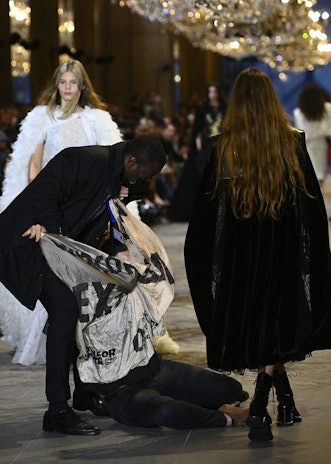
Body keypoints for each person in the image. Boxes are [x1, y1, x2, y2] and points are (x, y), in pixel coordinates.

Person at [184, 68, 331, 442]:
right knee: (275, 331)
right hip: (281, 257)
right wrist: (311, 258)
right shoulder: (292, 142)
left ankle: (262, 410)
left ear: (237, 102)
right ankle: (282, 400)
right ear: (271, 99)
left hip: (240, 260)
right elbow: (311, 209)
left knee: (260, 332)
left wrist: (210, 266)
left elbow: (205, 215)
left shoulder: (222, 146)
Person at [0, 134, 170, 435]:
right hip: (26, 243)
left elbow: (96, 218)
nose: (145, 182)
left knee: (83, 306)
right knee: (65, 310)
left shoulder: (114, 174)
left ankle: (82, 392)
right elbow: (41, 197)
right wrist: (64, 239)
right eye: (145, 175)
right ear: (132, 162)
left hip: (56, 250)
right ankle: (57, 410)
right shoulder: (83, 160)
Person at [38, 198, 249, 431]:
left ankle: (205, 407)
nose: (132, 269)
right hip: (123, 392)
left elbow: (144, 247)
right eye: (124, 263)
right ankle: (224, 417)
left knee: (232, 388)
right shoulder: (83, 290)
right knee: (166, 411)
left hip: (157, 369)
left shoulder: (141, 284)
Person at [0, 59, 122, 365]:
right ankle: (56, 343)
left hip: (85, 208)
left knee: (84, 271)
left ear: (82, 87)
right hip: (52, 204)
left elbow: (107, 162)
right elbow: (33, 165)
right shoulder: (43, 118)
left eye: (73, 83)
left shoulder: (96, 120)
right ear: (56, 84)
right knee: (54, 271)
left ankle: (90, 342)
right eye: (63, 83)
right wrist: (41, 206)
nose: (67, 89)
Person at [169, 82, 228, 222]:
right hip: (206, 146)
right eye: (210, 92)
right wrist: (196, 147)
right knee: (202, 175)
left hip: (222, 144)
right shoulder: (202, 110)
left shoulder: (225, 108)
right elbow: (197, 130)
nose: (212, 95)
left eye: (214, 92)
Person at [293, 82, 331, 186]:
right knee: (320, 172)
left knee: (310, 172)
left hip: (306, 144)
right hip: (322, 142)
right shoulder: (327, 108)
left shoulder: (298, 112)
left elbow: (298, 129)